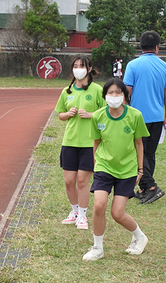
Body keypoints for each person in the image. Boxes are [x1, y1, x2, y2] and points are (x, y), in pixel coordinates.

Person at [83, 78, 150, 261]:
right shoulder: (97, 116)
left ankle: (139, 237)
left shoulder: (135, 116)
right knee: (99, 205)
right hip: (104, 167)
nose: (114, 96)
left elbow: (139, 143)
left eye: (118, 93)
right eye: (110, 93)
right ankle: (97, 248)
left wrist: (141, 170)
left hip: (127, 170)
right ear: (105, 96)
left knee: (117, 213)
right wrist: (97, 164)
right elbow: (96, 142)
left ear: (125, 96)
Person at [54, 56, 105, 230]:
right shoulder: (66, 91)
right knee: (69, 181)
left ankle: (83, 216)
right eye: (75, 66)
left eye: (82, 66)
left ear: (89, 69)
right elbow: (60, 114)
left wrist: (91, 115)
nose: (78, 69)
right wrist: (67, 115)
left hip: (89, 143)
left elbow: (106, 112)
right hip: (69, 141)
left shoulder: (97, 90)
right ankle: (74, 211)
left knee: (82, 181)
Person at [123, 30, 166, 204]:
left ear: (140, 46)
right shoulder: (164, 66)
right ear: (157, 47)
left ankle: (151, 187)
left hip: (137, 117)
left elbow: (127, 92)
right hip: (157, 116)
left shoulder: (132, 65)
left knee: (136, 153)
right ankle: (143, 188)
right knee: (149, 154)